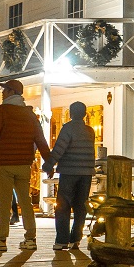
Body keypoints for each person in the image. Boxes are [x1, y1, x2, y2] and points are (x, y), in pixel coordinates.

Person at [0, 79, 51, 251]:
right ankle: (30, 239)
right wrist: (49, 162)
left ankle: (1, 241)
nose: (2, 92)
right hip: (23, 164)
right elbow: (40, 140)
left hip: (4, 164)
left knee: (5, 204)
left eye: (5, 90)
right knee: (26, 202)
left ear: (12, 92)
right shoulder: (30, 115)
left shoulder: (3, 111)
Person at [43, 101, 96, 251]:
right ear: (84, 114)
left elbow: (59, 149)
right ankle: (76, 239)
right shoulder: (90, 131)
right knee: (81, 206)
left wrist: (49, 164)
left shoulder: (68, 128)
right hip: (86, 173)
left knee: (63, 206)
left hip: (69, 172)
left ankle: (62, 240)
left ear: (71, 114)